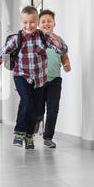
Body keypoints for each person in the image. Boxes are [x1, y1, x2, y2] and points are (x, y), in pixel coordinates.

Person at [0, 6, 68, 150]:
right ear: (21, 22)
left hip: (39, 78)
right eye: (25, 22)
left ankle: (29, 135)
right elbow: (2, 52)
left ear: (37, 22)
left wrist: (57, 41)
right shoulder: (18, 38)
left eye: (32, 22)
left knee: (35, 110)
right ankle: (19, 132)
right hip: (21, 75)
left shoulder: (44, 37)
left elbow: (62, 50)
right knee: (26, 99)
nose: (28, 26)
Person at [34, 9, 71, 148]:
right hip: (38, 80)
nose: (46, 24)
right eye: (43, 21)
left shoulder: (58, 40)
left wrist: (66, 64)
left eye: (49, 21)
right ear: (38, 24)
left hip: (55, 80)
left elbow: (64, 56)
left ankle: (48, 137)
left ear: (54, 23)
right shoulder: (35, 39)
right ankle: (37, 119)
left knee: (53, 109)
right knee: (38, 110)